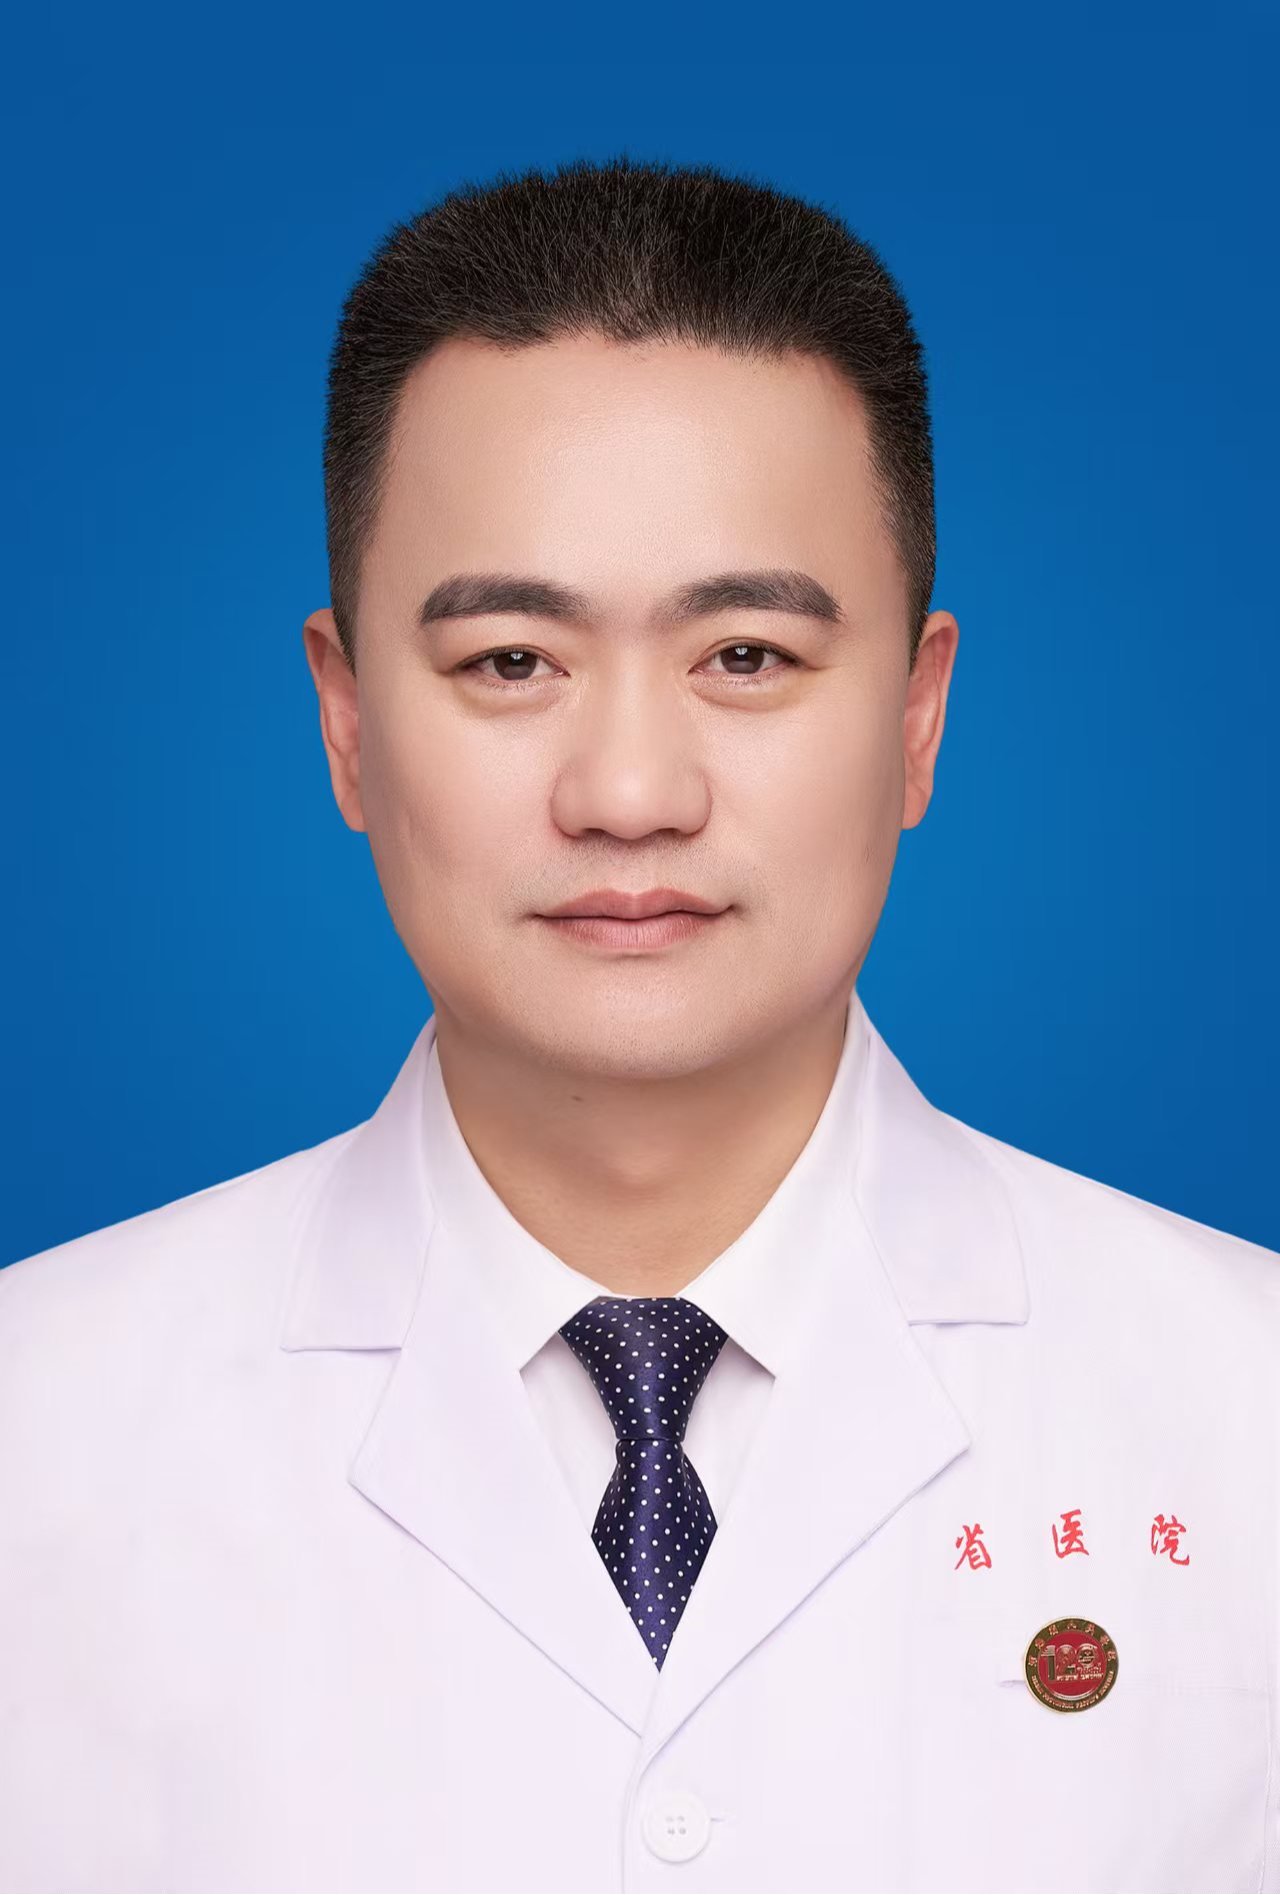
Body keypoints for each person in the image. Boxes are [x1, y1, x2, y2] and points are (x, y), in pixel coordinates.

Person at [1, 154, 1275, 1895]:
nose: (626, 791)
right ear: (347, 722)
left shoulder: (1246, 1412)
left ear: (918, 717)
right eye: (510, 662)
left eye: (745, 656)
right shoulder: (38, 1427)